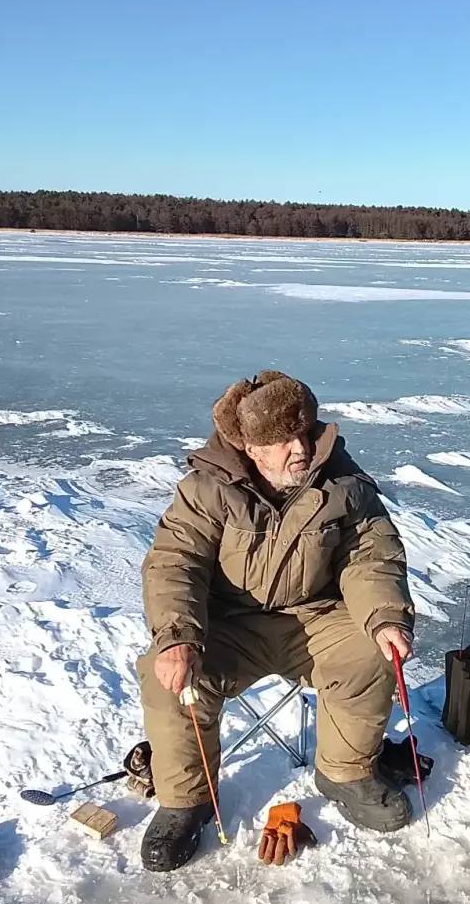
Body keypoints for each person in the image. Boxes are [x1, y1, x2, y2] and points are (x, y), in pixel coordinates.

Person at [137, 370, 415, 871]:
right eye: (283, 440)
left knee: (370, 652)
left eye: (305, 433)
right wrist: (178, 636)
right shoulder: (206, 489)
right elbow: (175, 561)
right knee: (168, 680)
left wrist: (384, 617)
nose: (301, 449)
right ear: (250, 447)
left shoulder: (343, 485)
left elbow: (372, 555)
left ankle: (346, 773)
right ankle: (186, 801)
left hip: (314, 618)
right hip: (228, 625)